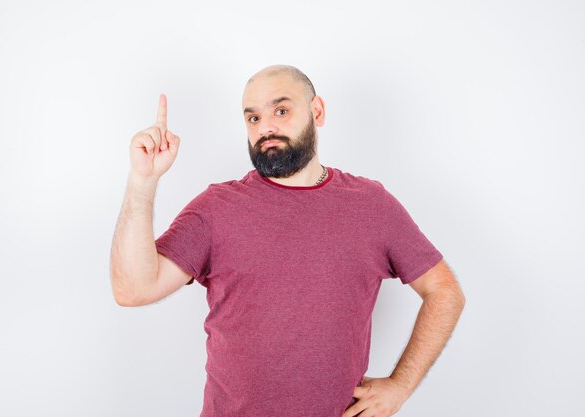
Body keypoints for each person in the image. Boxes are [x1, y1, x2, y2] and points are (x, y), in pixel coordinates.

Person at [109, 64, 466, 417]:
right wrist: (143, 182)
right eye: (252, 118)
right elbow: (133, 290)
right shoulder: (217, 209)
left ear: (317, 111)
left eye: (281, 110)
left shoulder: (371, 205)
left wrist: (400, 386)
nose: (265, 127)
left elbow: (444, 291)